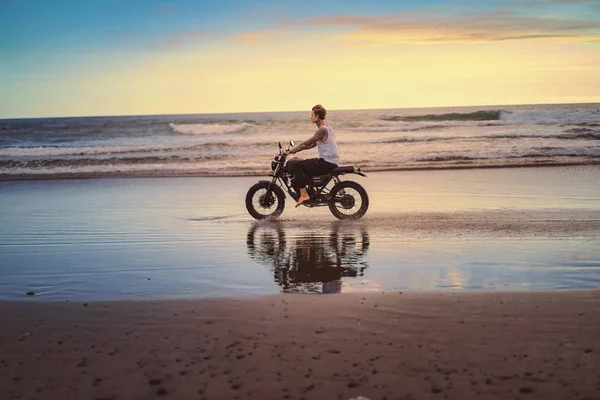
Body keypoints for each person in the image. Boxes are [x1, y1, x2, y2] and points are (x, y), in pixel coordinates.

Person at [282, 104, 339, 207]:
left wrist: (291, 151)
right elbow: (311, 145)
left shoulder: (322, 130)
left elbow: (307, 143)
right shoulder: (328, 128)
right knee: (306, 165)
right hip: (330, 161)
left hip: (326, 162)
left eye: (312, 115)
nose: (310, 117)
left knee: (297, 165)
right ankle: (310, 191)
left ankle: (304, 195)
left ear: (317, 116)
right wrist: (298, 150)